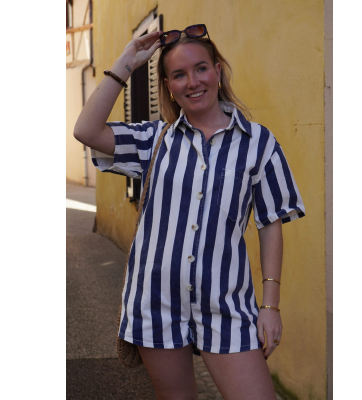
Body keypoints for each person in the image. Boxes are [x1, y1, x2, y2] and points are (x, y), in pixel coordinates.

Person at [74, 24, 305, 400]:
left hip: (226, 307)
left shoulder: (258, 143)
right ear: (168, 86)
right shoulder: (154, 140)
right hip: (156, 304)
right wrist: (126, 63)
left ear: (218, 71)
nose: (193, 82)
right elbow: (85, 130)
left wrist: (270, 306)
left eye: (201, 68)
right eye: (179, 75)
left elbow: (270, 224)